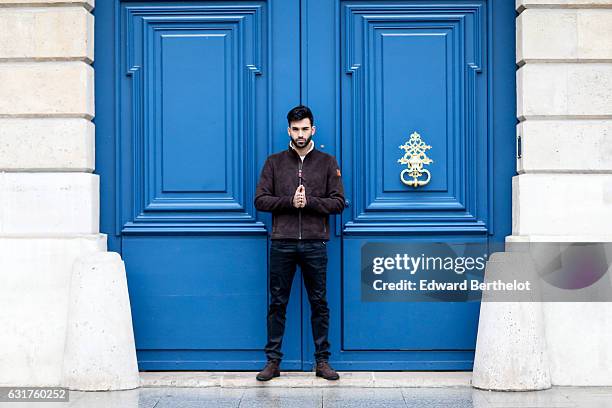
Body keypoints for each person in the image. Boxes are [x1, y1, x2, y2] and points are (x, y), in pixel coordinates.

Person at [253, 105, 346, 381]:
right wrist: (289, 202)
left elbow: (339, 202)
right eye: (295, 129)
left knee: (319, 302)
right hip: (282, 242)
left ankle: (322, 362)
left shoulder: (328, 162)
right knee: (278, 303)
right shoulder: (274, 162)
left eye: (305, 128)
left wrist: (311, 202)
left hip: (315, 244)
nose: (300, 134)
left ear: (313, 129)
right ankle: (273, 362)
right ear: (288, 131)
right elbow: (260, 200)